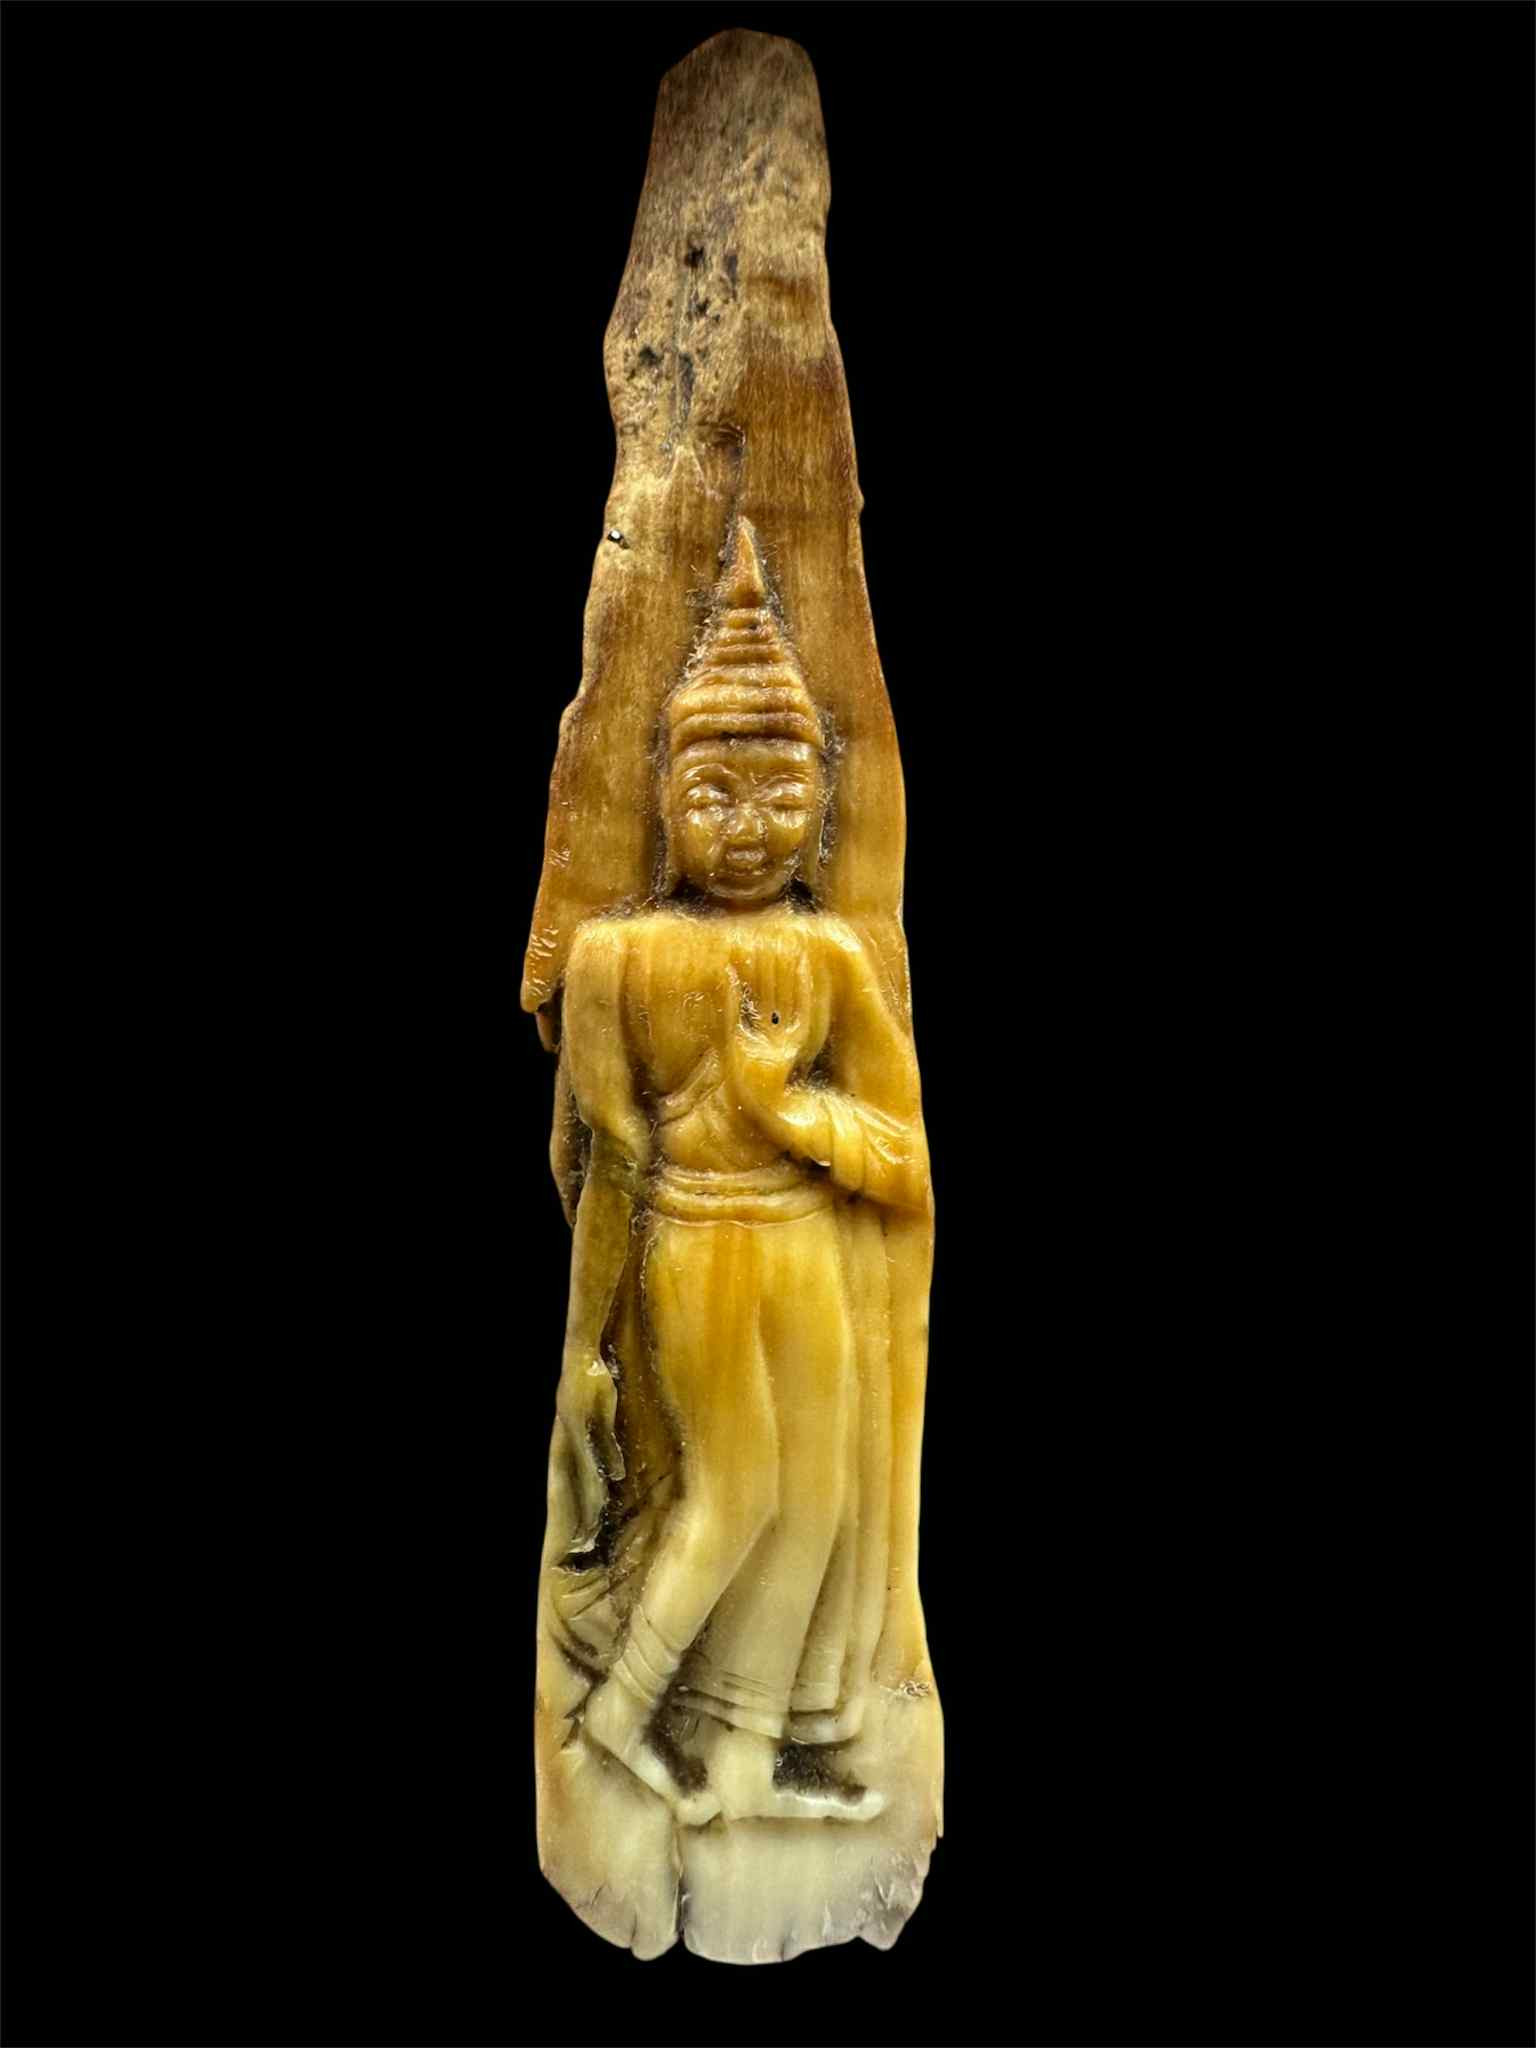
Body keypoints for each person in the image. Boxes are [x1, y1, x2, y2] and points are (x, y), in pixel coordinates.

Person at [551, 523, 931, 1827]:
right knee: (738, 1493)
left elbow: (904, 1156)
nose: (751, 828)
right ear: (661, 793)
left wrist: (789, 1111)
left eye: (784, 795)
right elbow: (604, 1160)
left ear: (823, 802)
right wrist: (586, 1349)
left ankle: (744, 1760)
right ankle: (618, 1713)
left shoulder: (830, 960)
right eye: (714, 792)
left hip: (806, 1246)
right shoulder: (618, 958)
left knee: (817, 1504)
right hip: (696, 1236)